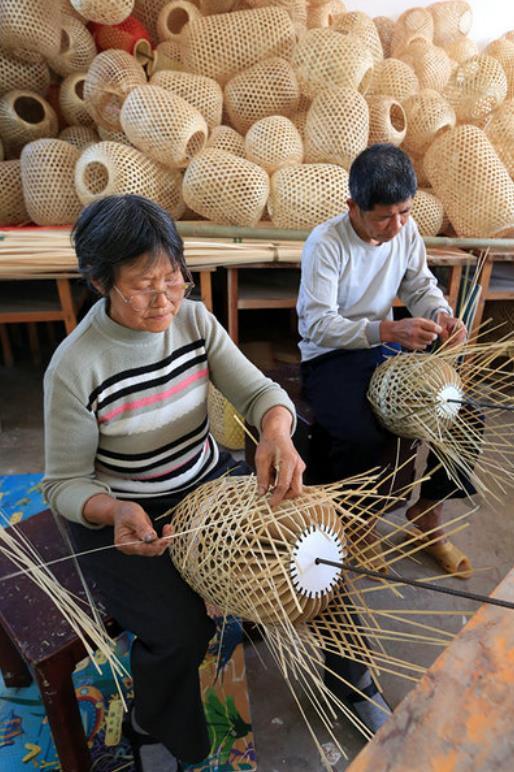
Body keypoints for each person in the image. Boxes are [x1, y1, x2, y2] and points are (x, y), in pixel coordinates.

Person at [43, 194, 305, 771]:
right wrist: (111, 513)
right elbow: (62, 483)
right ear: (99, 282)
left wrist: (276, 432)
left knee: (289, 550)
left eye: (173, 279)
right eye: (142, 285)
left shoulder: (194, 320)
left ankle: (345, 676)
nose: (163, 300)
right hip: (125, 508)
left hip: (203, 479)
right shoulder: (74, 366)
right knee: (179, 630)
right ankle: (153, 721)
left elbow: (263, 394)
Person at [297, 143, 471, 575]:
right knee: (366, 434)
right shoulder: (326, 243)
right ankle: (361, 524)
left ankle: (427, 518)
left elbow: (419, 285)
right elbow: (318, 324)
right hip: (332, 355)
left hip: (387, 347)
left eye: (405, 213)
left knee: (464, 415)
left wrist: (441, 314)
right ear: (353, 206)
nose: (396, 227)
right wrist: (387, 329)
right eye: (383, 217)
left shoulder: (405, 231)